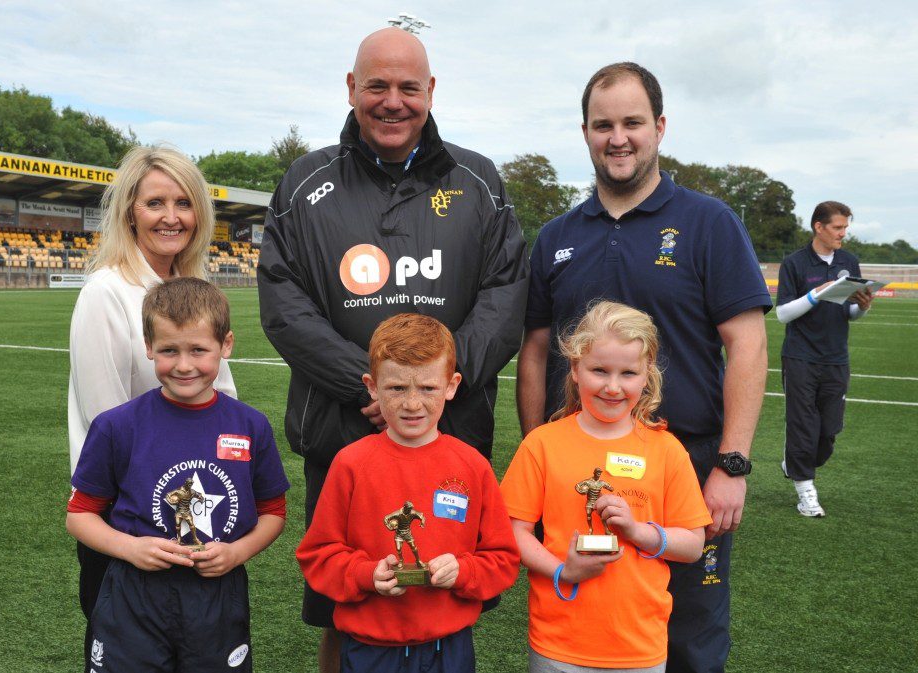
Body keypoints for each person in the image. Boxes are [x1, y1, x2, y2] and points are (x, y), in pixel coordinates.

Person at [258, 26, 528, 671]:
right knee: (341, 599)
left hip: (451, 437)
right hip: (343, 434)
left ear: (430, 91)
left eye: (408, 87)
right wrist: (372, 385)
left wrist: (429, 386)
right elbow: (283, 301)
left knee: (447, 589)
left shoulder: (478, 182)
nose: (392, 101)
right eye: (376, 85)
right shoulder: (304, 182)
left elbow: (506, 294)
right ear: (352, 88)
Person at [516, 62, 771, 673]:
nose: (618, 137)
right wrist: (538, 453)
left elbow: (749, 346)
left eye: (632, 122)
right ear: (585, 133)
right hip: (580, 465)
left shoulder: (709, 221)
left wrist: (732, 464)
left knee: (691, 635)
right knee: (585, 620)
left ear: (659, 127)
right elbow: (535, 351)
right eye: (603, 125)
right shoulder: (556, 237)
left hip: (687, 462)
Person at [67, 144, 238, 670]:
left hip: (191, 511)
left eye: (184, 203)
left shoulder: (192, 288)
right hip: (128, 522)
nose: (171, 217)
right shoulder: (106, 291)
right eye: (155, 203)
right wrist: (149, 517)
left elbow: (223, 398)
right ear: (129, 213)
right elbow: (106, 422)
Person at [66, 277, 289, 672]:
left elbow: (274, 512)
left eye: (198, 350)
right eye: (169, 350)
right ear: (148, 348)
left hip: (217, 596)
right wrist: (130, 548)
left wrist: (236, 553)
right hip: (133, 596)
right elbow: (79, 515)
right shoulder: (117, 426)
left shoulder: (250, 426)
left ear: (226, 345)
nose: (184, 365)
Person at [296, 313, 519, 673]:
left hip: (449, 647)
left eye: (428, 389)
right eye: (397, 388)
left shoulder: (472, 465)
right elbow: (318, 555)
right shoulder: (350, 464)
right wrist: (366, 575)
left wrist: (463, 571)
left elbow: (503, 558)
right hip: (370, 648)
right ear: (372, 386)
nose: (412, 404)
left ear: (451, 385)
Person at [503, 301, 712, 672]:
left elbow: (693, 544)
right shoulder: (541, 444)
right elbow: (513, 531)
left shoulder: (667, 451)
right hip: (559, 643)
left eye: (628, 373)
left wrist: (638, 532)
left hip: (640, 646)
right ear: (575, 369)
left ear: (647, 373)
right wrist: (562, 571)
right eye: (599, 370)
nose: (613, 387)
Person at [776, 201, 872, 517]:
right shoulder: (794, 263)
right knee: (803, 427)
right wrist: (817, 294)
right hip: (800, 357)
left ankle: (795, 463)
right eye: (837, 228)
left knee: (828, 433)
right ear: (819, 227)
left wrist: (864, 307)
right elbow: (782, 314)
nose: (843, 234)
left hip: (836, 359)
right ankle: (806, 494)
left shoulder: (849, 261)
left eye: (845, 228)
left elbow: (850, 312)